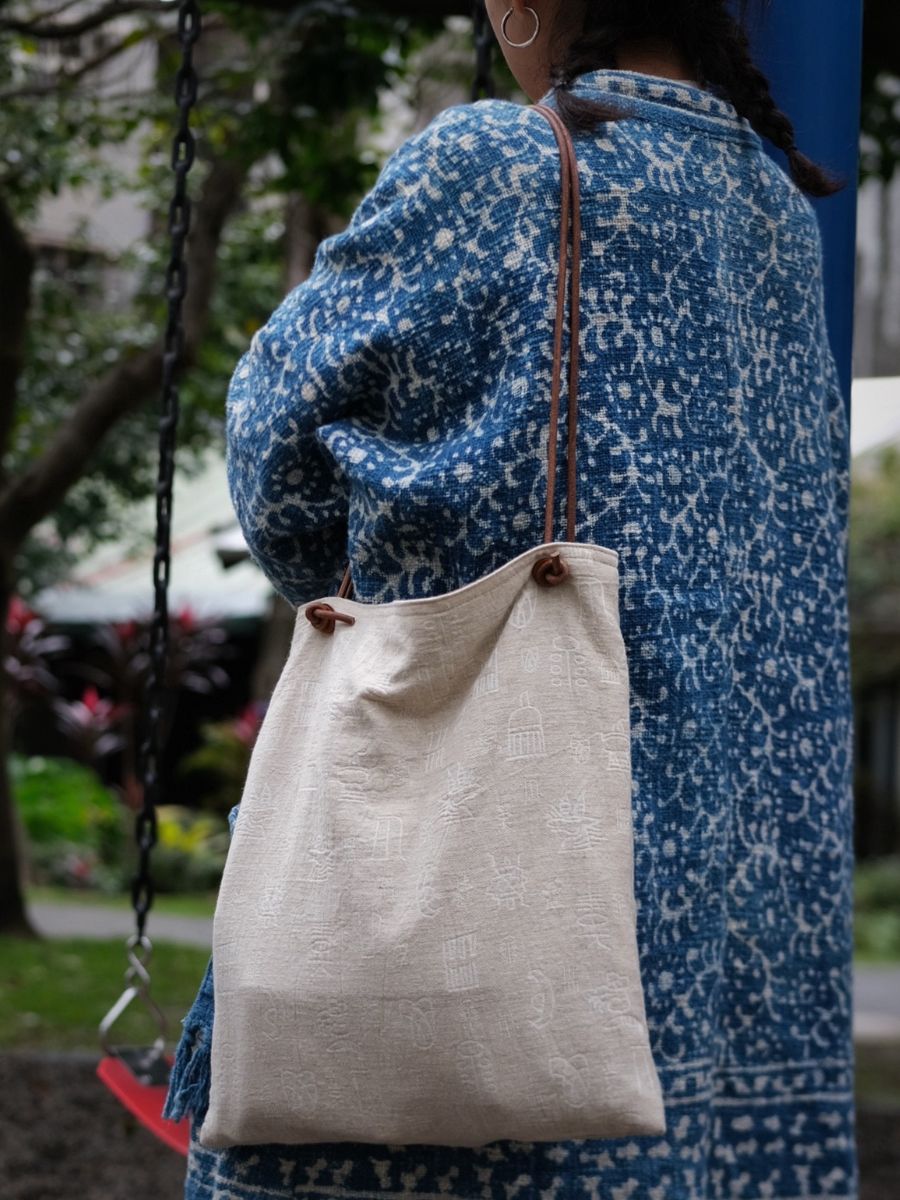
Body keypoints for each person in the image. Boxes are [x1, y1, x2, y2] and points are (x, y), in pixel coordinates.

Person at [163, 2, 857, 1197]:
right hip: (713, 917)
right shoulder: (778, 211)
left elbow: (278, 459)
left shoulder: (493, 162)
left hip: (490, 882)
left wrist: (387, 583)